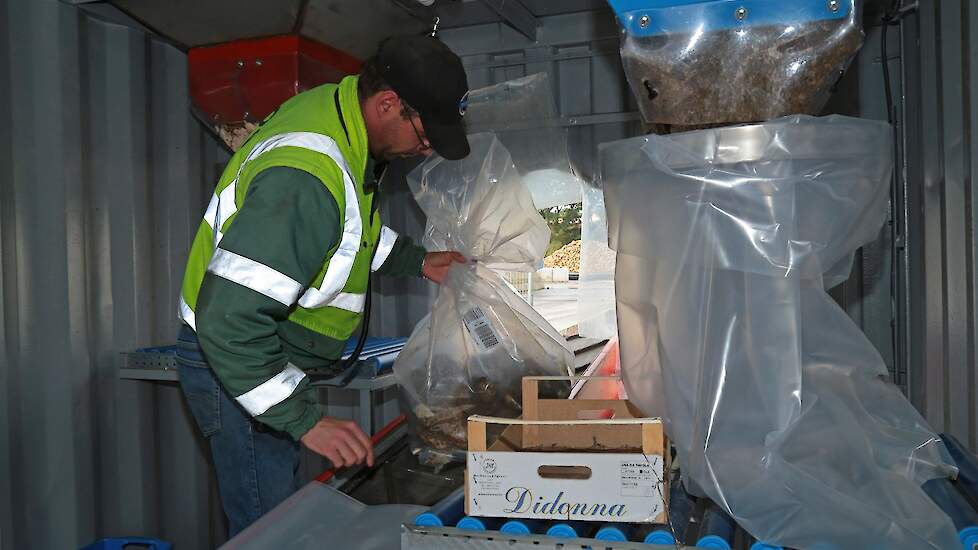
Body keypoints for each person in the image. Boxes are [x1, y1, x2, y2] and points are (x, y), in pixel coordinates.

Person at [174, 34, 470, 536]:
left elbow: (348, 231)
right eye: (424, 133)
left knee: (285, 517)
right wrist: (306, 419)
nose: (426, 148)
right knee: (269, 531)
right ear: (388, 103)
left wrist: (419, 261)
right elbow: (229, 321)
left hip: (264, 356)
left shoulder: (342, 121)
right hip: (237, 362)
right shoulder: (306, 174)